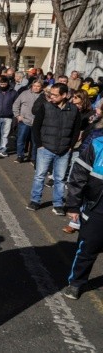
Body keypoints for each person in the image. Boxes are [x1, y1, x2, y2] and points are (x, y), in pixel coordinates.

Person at [62, 115, 103, 300]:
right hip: (97, 208)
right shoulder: (97, 145)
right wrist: (73, 205)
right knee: (88, 248)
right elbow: (78, 176)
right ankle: (76, 282)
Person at [27, 83, 81, 214]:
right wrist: (40, 145)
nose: (51, 97)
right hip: (45, 148)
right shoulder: (45, 107)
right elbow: (36, 127)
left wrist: (70, 146)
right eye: (51, 94)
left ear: (64, 95)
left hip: (64, 150)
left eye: (55, 95)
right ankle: (35, 201)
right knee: (39, 176)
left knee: (60, 178)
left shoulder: (74, 110)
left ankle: (58, 204)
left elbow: (76, 130)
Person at [12, 79, 43, 163]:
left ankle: (33, 158)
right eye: (34, 86)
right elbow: (16, 104)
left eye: (38, 86)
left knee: (34, 142)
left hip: (37, 123)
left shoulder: (43, 96)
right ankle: (20, 156)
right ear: (32, 86)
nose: (36, 88)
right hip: (24, 121)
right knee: (21, 139)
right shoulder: (24, 93)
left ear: (41, 87)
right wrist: (17, 115)